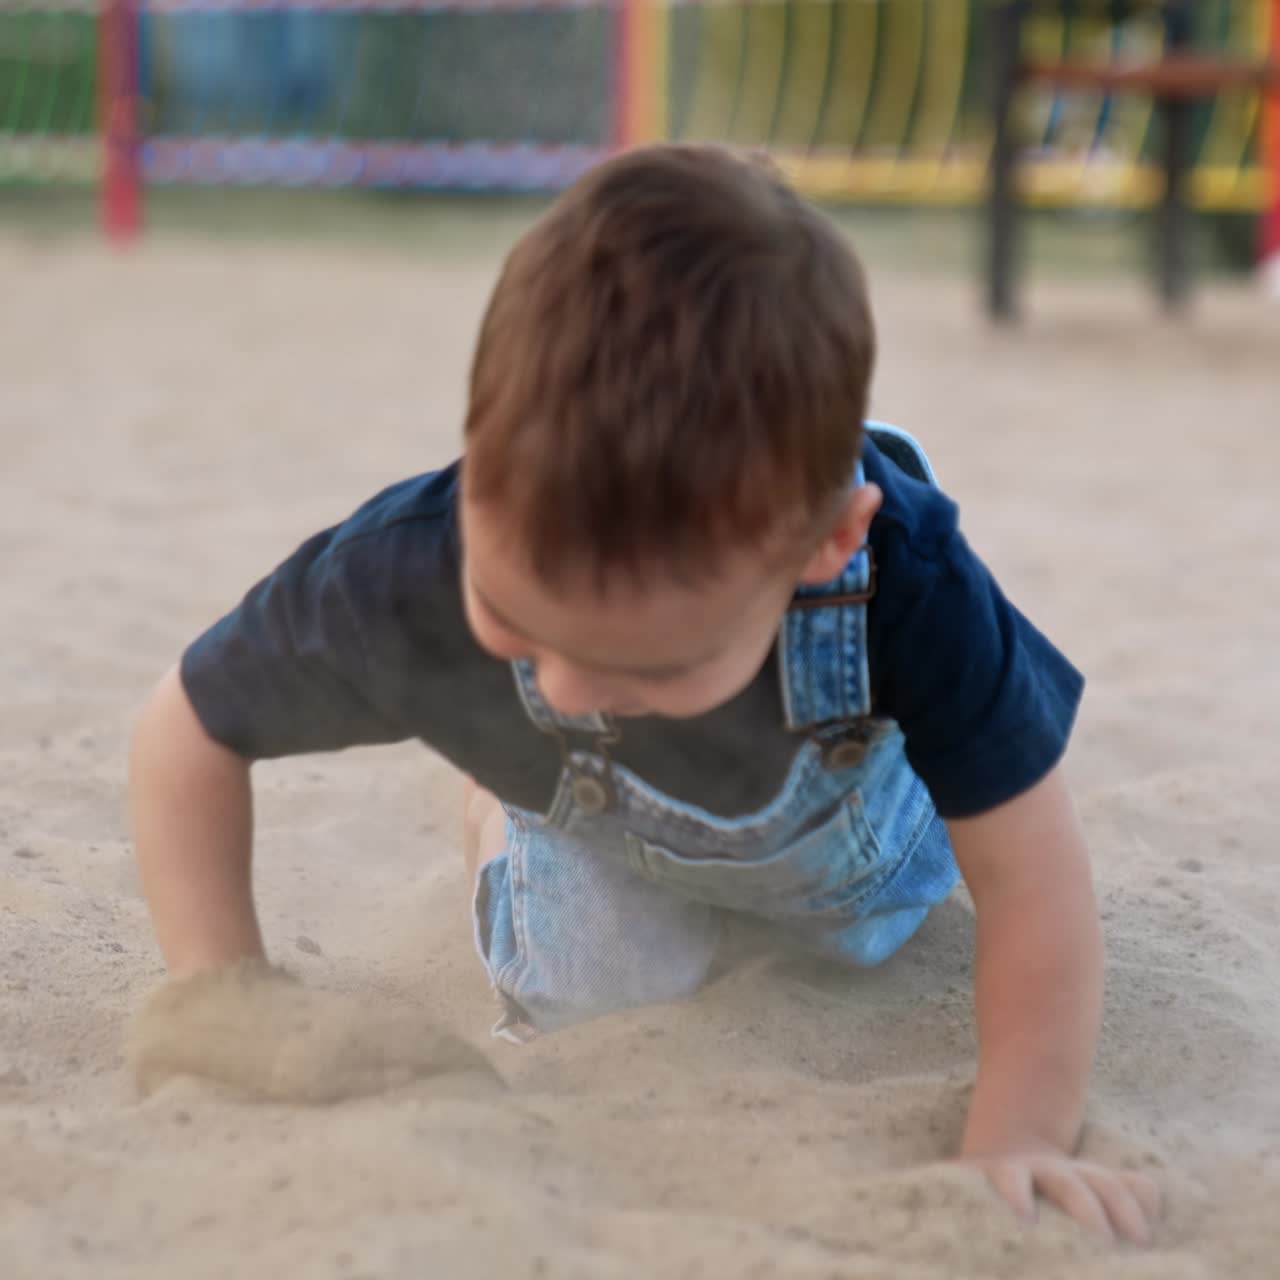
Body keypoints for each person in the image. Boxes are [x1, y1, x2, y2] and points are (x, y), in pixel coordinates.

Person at [129, 144, 1159, 1243]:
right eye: (514, 621)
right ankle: (494, 807)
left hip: (860, 838)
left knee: (867, 932)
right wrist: (224, 997)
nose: (564, 688)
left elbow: (1032, 877)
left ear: (822, 542)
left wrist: (1017, 1132)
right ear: (479, 468)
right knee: (584, 996)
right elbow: (186, 732)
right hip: (602, 823)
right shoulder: (405, 566)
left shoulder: (906, 580)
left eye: (650, 664)